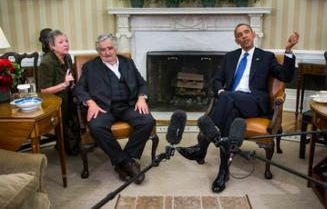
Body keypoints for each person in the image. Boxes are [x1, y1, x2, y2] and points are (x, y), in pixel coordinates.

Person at [177, 23, 299, 193]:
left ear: (253, 34)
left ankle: (202, 147)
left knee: (227, 97)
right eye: (240, 35)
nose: (244, 36)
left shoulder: (266, 56)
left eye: (246, 32)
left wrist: (288, 50)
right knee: (229, 118)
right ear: (237, 40)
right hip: (231, 103)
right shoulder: (230, 57)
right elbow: (216, 80)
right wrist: (220, 91)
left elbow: (286, 76)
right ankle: (223, 172)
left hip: (253, 102)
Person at [74, 33, 155, 184]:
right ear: (98, 51)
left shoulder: (128, 63)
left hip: (128, 105)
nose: (107, 52)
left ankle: (124, 161)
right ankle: (126, 163)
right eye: (102, 50)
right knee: (96, 126)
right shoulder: (90, 67)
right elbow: (79, 89)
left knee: (147, 120)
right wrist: (90, 102)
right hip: (104, 108)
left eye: (110, 48)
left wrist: (141, 97)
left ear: (115, 48)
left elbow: (142, 83)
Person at [38, 30, 80, 156]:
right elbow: (44, 91)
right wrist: (64, 84)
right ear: (52, 46)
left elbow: (69, 77)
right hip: (54, 100)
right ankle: (65, 143)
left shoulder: (67, 56)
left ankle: (71, 142)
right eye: (61, 42)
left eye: (66, 41)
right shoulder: (47, 62)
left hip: (68, 95)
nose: (65, 44)